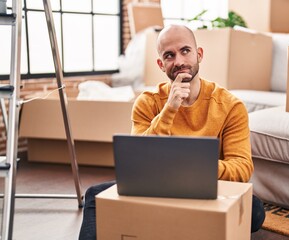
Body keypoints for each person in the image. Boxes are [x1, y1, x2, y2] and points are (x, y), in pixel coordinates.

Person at [79, 24, 265, 240]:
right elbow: (138, 161)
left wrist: (194, 169)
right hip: (155, 187)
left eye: (185, 51)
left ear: (199, 54)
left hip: (210, 190)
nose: (179, 61)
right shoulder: (147, 103)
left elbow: (242, 168)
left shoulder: (230, 105)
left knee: (254, 210)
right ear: (161, 64)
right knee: (94, 197)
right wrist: (170, 108)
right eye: (169, 55)